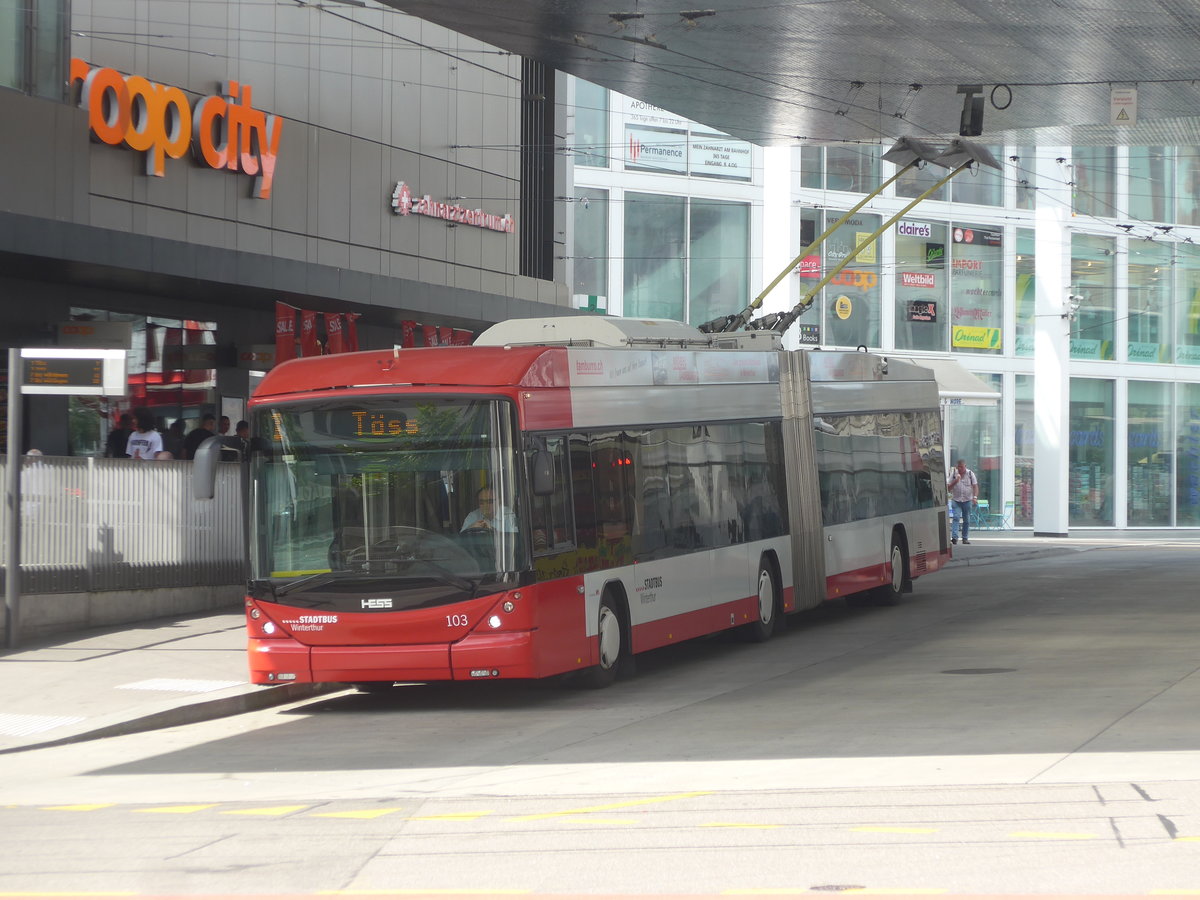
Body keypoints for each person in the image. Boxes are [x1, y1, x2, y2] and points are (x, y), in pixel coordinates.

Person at [948, 458, 979, 544]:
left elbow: (975, 486)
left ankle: (965, 538)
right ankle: (954, 537)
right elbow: (948, 488)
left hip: (967, 500)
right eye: (958, 467)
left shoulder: (970, 474)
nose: (960, 469)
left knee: (966, 519)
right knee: (956, 517)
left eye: (961, 467)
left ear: (965, 466)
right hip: (956, 499)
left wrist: (975, 497)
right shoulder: (954, 474)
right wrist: (956, 481)